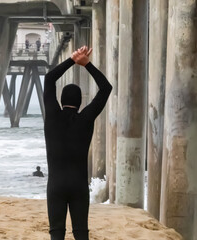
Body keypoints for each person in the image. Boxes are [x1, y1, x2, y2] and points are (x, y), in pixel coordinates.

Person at [43, 46, 112, 240]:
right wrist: (86, 64)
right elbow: (106, 88)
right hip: (79, 185)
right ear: (80, 102)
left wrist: (72, 60)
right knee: (81, 233)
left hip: (55, 184)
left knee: (56, 232)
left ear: (61, 100)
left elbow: (49, 79)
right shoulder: (85, 119)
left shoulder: (52, 118)